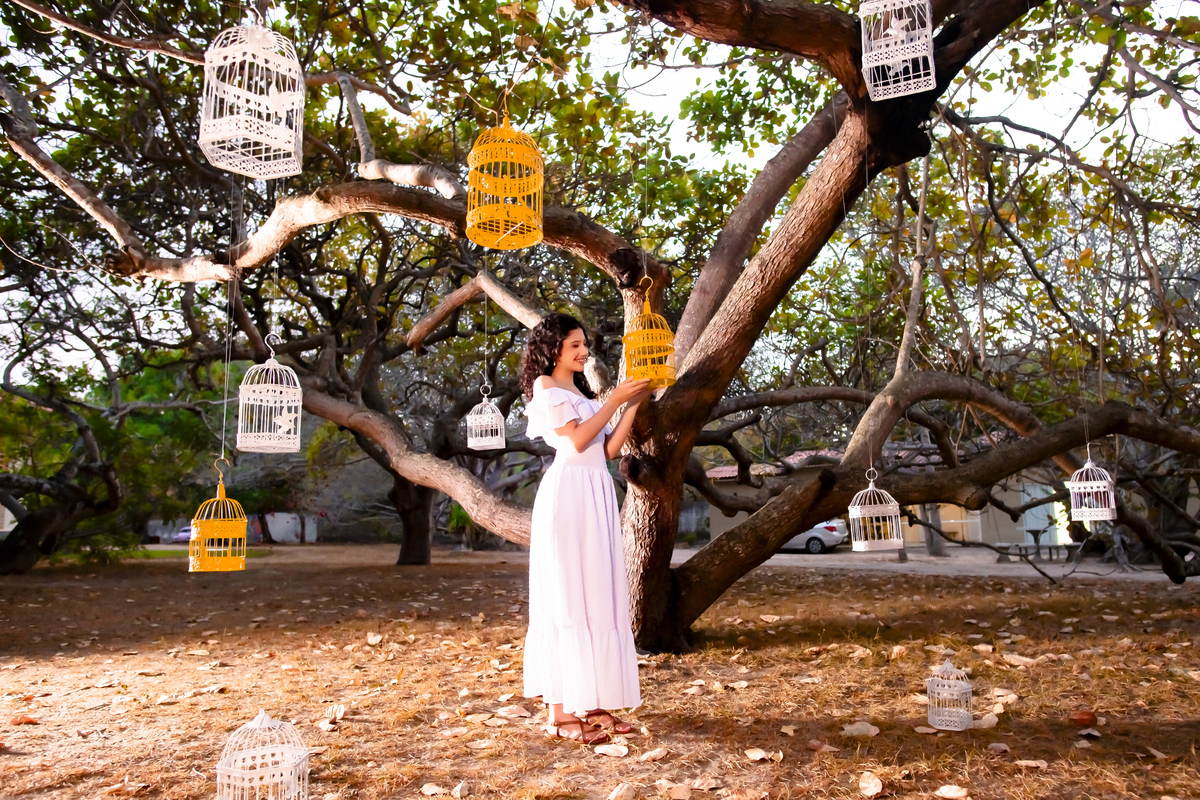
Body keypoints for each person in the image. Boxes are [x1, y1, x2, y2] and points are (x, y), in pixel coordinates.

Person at [520, 313, 652, 744]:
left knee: (596, 594)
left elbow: (608, 449)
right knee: (566, 596)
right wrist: (615, 400)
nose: (583, 352)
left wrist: (632, 404)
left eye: (584, 344)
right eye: (574, 345)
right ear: (553, 349)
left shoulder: (581, 392)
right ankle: (560, 714)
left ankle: (591, 702)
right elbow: (577, 442)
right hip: (569, 495)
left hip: (595, 492)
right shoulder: (546, 386)